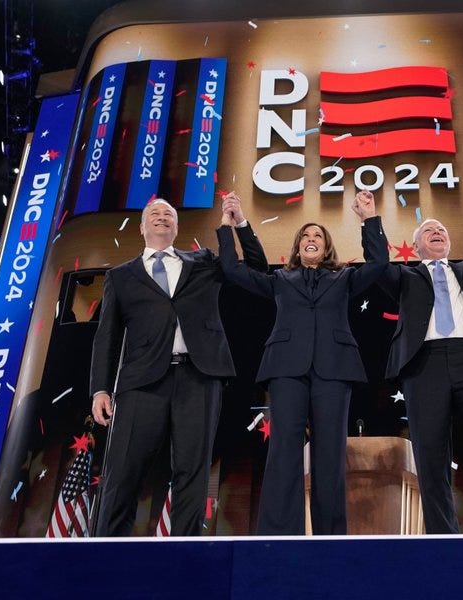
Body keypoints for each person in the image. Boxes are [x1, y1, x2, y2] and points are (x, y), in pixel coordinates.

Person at [90, 194, 268, 536]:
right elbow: (107, 337)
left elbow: (257, 268)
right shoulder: (120, 276)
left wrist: (239, 223)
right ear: (142, 228)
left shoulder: (202, 262)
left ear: (176, 227)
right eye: (154, 213)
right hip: (141, 382)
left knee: (192, 470)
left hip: (198, 378)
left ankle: (185, 551)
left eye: (168, 213)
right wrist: (100, 387)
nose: (161, 216)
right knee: (123, 469)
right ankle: (107, 550)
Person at [216, 190, 387, 535]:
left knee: (330, 456)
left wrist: (369, 218)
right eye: (305, 236)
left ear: (326, 248)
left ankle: (330, 538)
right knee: (283, 453)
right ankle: (278, 536)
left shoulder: (345, 278)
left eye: (318, 237)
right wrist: (229, 225)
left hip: (334, 370)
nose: (311, 240)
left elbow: (380, 263)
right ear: (297, 248)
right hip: (286, 370)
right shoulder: (279, 280)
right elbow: (233, 269)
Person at [378, 181, 463, 534]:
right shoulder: (405, 276)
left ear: (449, 242)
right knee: (430, 455)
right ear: (418, 245)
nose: (437, 232)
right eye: (428, 230)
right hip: (423, 365)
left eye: (441, 230)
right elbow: (377, 264)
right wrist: (369, 220)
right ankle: (445, 536)